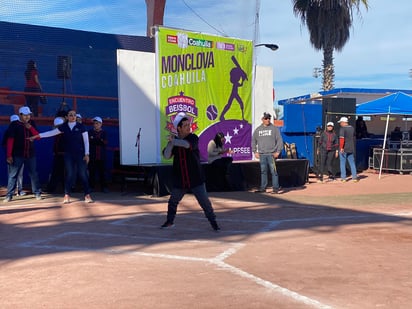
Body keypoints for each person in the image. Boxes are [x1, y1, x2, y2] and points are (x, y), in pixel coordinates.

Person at [160, 112, 220, 231]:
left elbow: (187, 145)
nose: (189, 127)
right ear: (179, 128)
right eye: (186, 125)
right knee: (173, 201)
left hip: (195, 178)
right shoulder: (174, 141)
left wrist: (174, 141)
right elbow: (166, 155)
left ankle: (213, 222)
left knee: (205, 203)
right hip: (180, 180)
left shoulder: (193, 138)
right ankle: (170, 221)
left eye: (189, 124)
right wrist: (171, 143)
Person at [31, 110, 93, 204]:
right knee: (69, 174)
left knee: (83, 174)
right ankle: (66, 195)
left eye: (74, 115)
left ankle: (87, 195)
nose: (73, 116)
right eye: (70, 115)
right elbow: (51, 133)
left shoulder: (81, 126)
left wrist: (87, 154)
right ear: (67, 117)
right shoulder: (64, 127)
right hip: (68, 154)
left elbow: (86, 141)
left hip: (80, 154)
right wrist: (37, 136)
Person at [3, 107, 42, 202]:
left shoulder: (31, 123)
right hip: (17, 154)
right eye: (25, 115)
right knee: (13, 175)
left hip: (30, 154)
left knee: (33, 174)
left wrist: (31, 128)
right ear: (20, 115)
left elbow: (38, 137)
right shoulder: (14, 125)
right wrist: (9, 155)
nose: (27, 117)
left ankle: (37, 193)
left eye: (29, 115)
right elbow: (10, 140)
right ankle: (9, 195)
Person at [252, 112, 284, 194]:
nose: (268, 120)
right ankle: (263, 188)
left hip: (271, 154)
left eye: (269, 118)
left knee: (274, 171)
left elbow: (279, 140)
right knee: (263, 171)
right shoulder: (258, 130)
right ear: (262, 119)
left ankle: (275, 189)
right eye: (266, 118)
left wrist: (278, 151)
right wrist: (255, 151)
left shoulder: (274, 129)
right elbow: (253, 141)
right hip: (262, 154)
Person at [2, 114, 26, 196]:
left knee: (17, 174)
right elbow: (5, 145)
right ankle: (13, 191)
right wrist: (8, 156)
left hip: (18, 156)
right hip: (13, 156)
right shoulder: (9, 131)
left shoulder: (21, 130)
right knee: (13, 175)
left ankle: (18, 190)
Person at [88, 116, 109, 193]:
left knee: (102, 173)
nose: (95, 125)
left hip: (101, 157)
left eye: (97, 123)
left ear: (101, 124)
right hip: (92, 156)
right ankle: (91, 187)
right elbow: (89, 142)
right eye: (94, 123)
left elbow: (104, 143)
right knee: (92, 173)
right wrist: (99, 140)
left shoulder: (104, 133)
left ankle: (104, 187)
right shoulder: (90, 132)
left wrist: (95, 140)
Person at [45, 117, 66, 193]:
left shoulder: (65, 133)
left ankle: (66, 189)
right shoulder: (57, 133)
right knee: (56, 173)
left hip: (64, 156)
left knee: (63, 173)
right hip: (58, 156)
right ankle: (51, 189)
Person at [337, 116, 358, 183]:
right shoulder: (352, 128)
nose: (340, 124)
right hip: (351, 148)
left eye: (340, 122)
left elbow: (342, 139)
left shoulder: (342, 129)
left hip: (344, 149)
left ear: (343, 122)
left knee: (342, 163)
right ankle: (354, 178)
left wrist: (341, 148)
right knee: (352, 163)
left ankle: (343, 178)